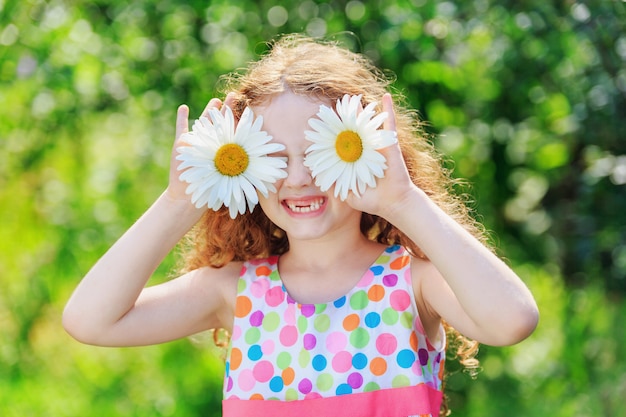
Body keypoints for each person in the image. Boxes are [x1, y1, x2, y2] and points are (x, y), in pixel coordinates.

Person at [63, 35, 539, 417]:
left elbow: (512, 320)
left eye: (319, 150)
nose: (297, 177)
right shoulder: (234, 292)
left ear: (368, 148)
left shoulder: (413, 282)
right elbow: (90, 320)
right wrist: (178, 202)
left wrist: (403, 201)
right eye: (271, 155)